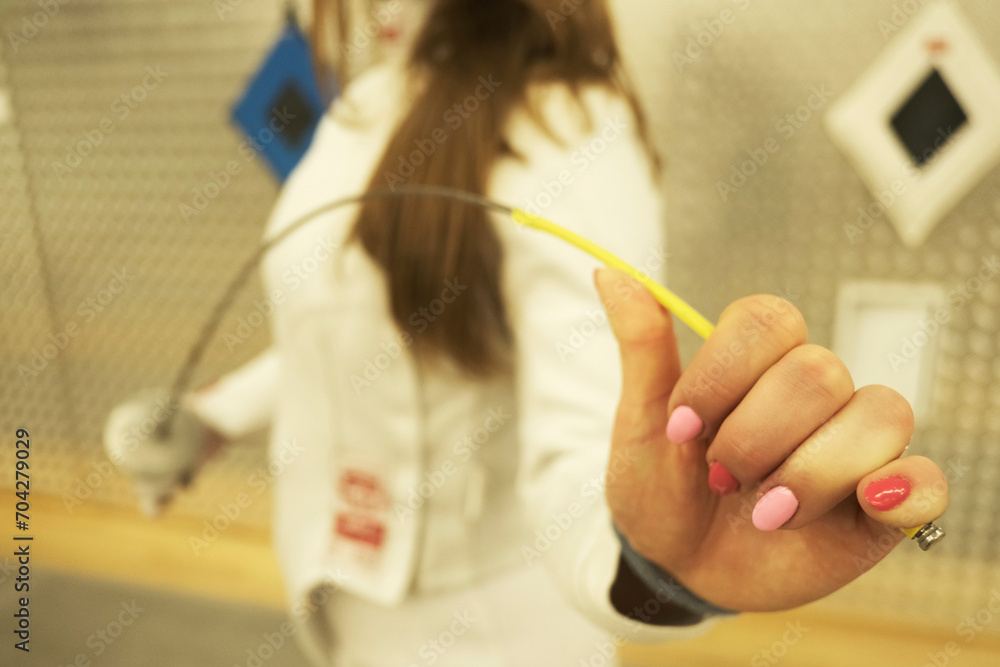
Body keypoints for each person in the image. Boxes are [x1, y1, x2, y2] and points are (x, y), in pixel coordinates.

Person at [141, 0, 951, 664]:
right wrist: (213, 418)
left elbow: (584, 445)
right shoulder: (366, 102)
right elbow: (352, 333)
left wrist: (655, 568)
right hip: (337, 607)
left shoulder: (567, 123)